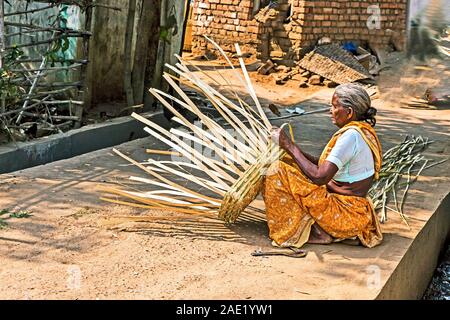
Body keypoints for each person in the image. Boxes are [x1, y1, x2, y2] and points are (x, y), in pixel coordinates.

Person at [263, 83, 383, 249]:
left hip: (344, 214)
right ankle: (322, 228)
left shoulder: (351, 136)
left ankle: (318, 232)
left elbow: (320, 177)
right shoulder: (361, 131)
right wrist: (290, 150)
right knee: (291, 163)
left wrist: (289, 145)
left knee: (277, 171)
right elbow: (323, 164)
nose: (330, 111)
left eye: (334, 106)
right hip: (355, 212)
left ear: (349, 112)